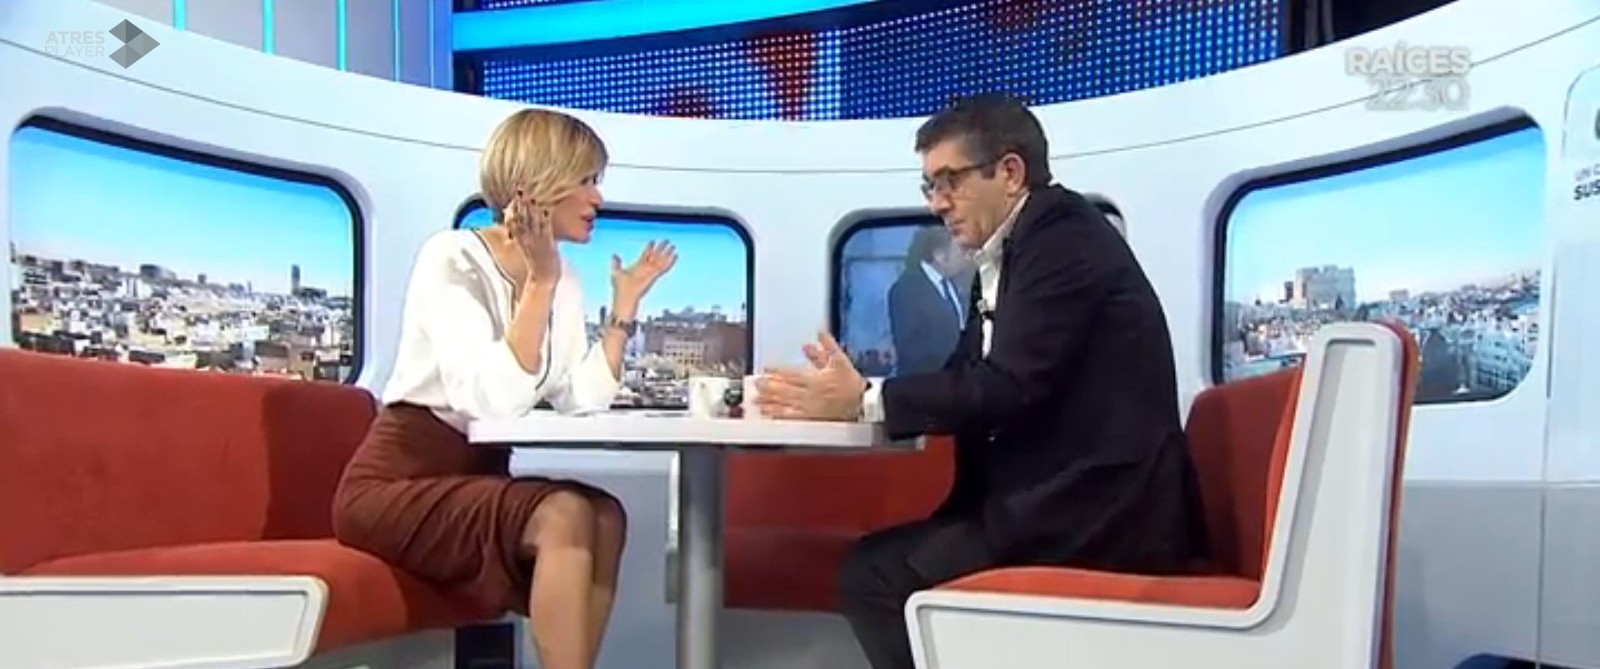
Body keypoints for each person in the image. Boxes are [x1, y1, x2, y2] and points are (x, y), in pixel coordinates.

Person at [755, 93, 1209, 669]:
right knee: (875, 564)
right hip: (1056, 500)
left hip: (1101, 513)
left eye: (950, 181)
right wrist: (857, 394)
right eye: (929, 186)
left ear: (1010, 173)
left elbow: (1010, 384)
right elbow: (965, 375)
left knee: (875, 576)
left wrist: (866, 401)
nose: (937, 203)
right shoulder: (1006, 255)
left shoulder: (1062, 238)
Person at [331, 108, 677, 669]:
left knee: (606, 516)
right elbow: (486, 402)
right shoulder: (452, 257)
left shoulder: (564, 276)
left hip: (477, 474)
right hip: (396, 482)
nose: (598, 198)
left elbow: (580, 397)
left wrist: (623, 309)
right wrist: (538, 284)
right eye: (586, 180)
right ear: (535, 186)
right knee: (565, 513)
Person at [887, 225, 970, 376]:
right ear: (940, 256)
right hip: (926, 383)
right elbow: (911, 348)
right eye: (961, 252)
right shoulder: (906, 290)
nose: (966, 258)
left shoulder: (954, 285)